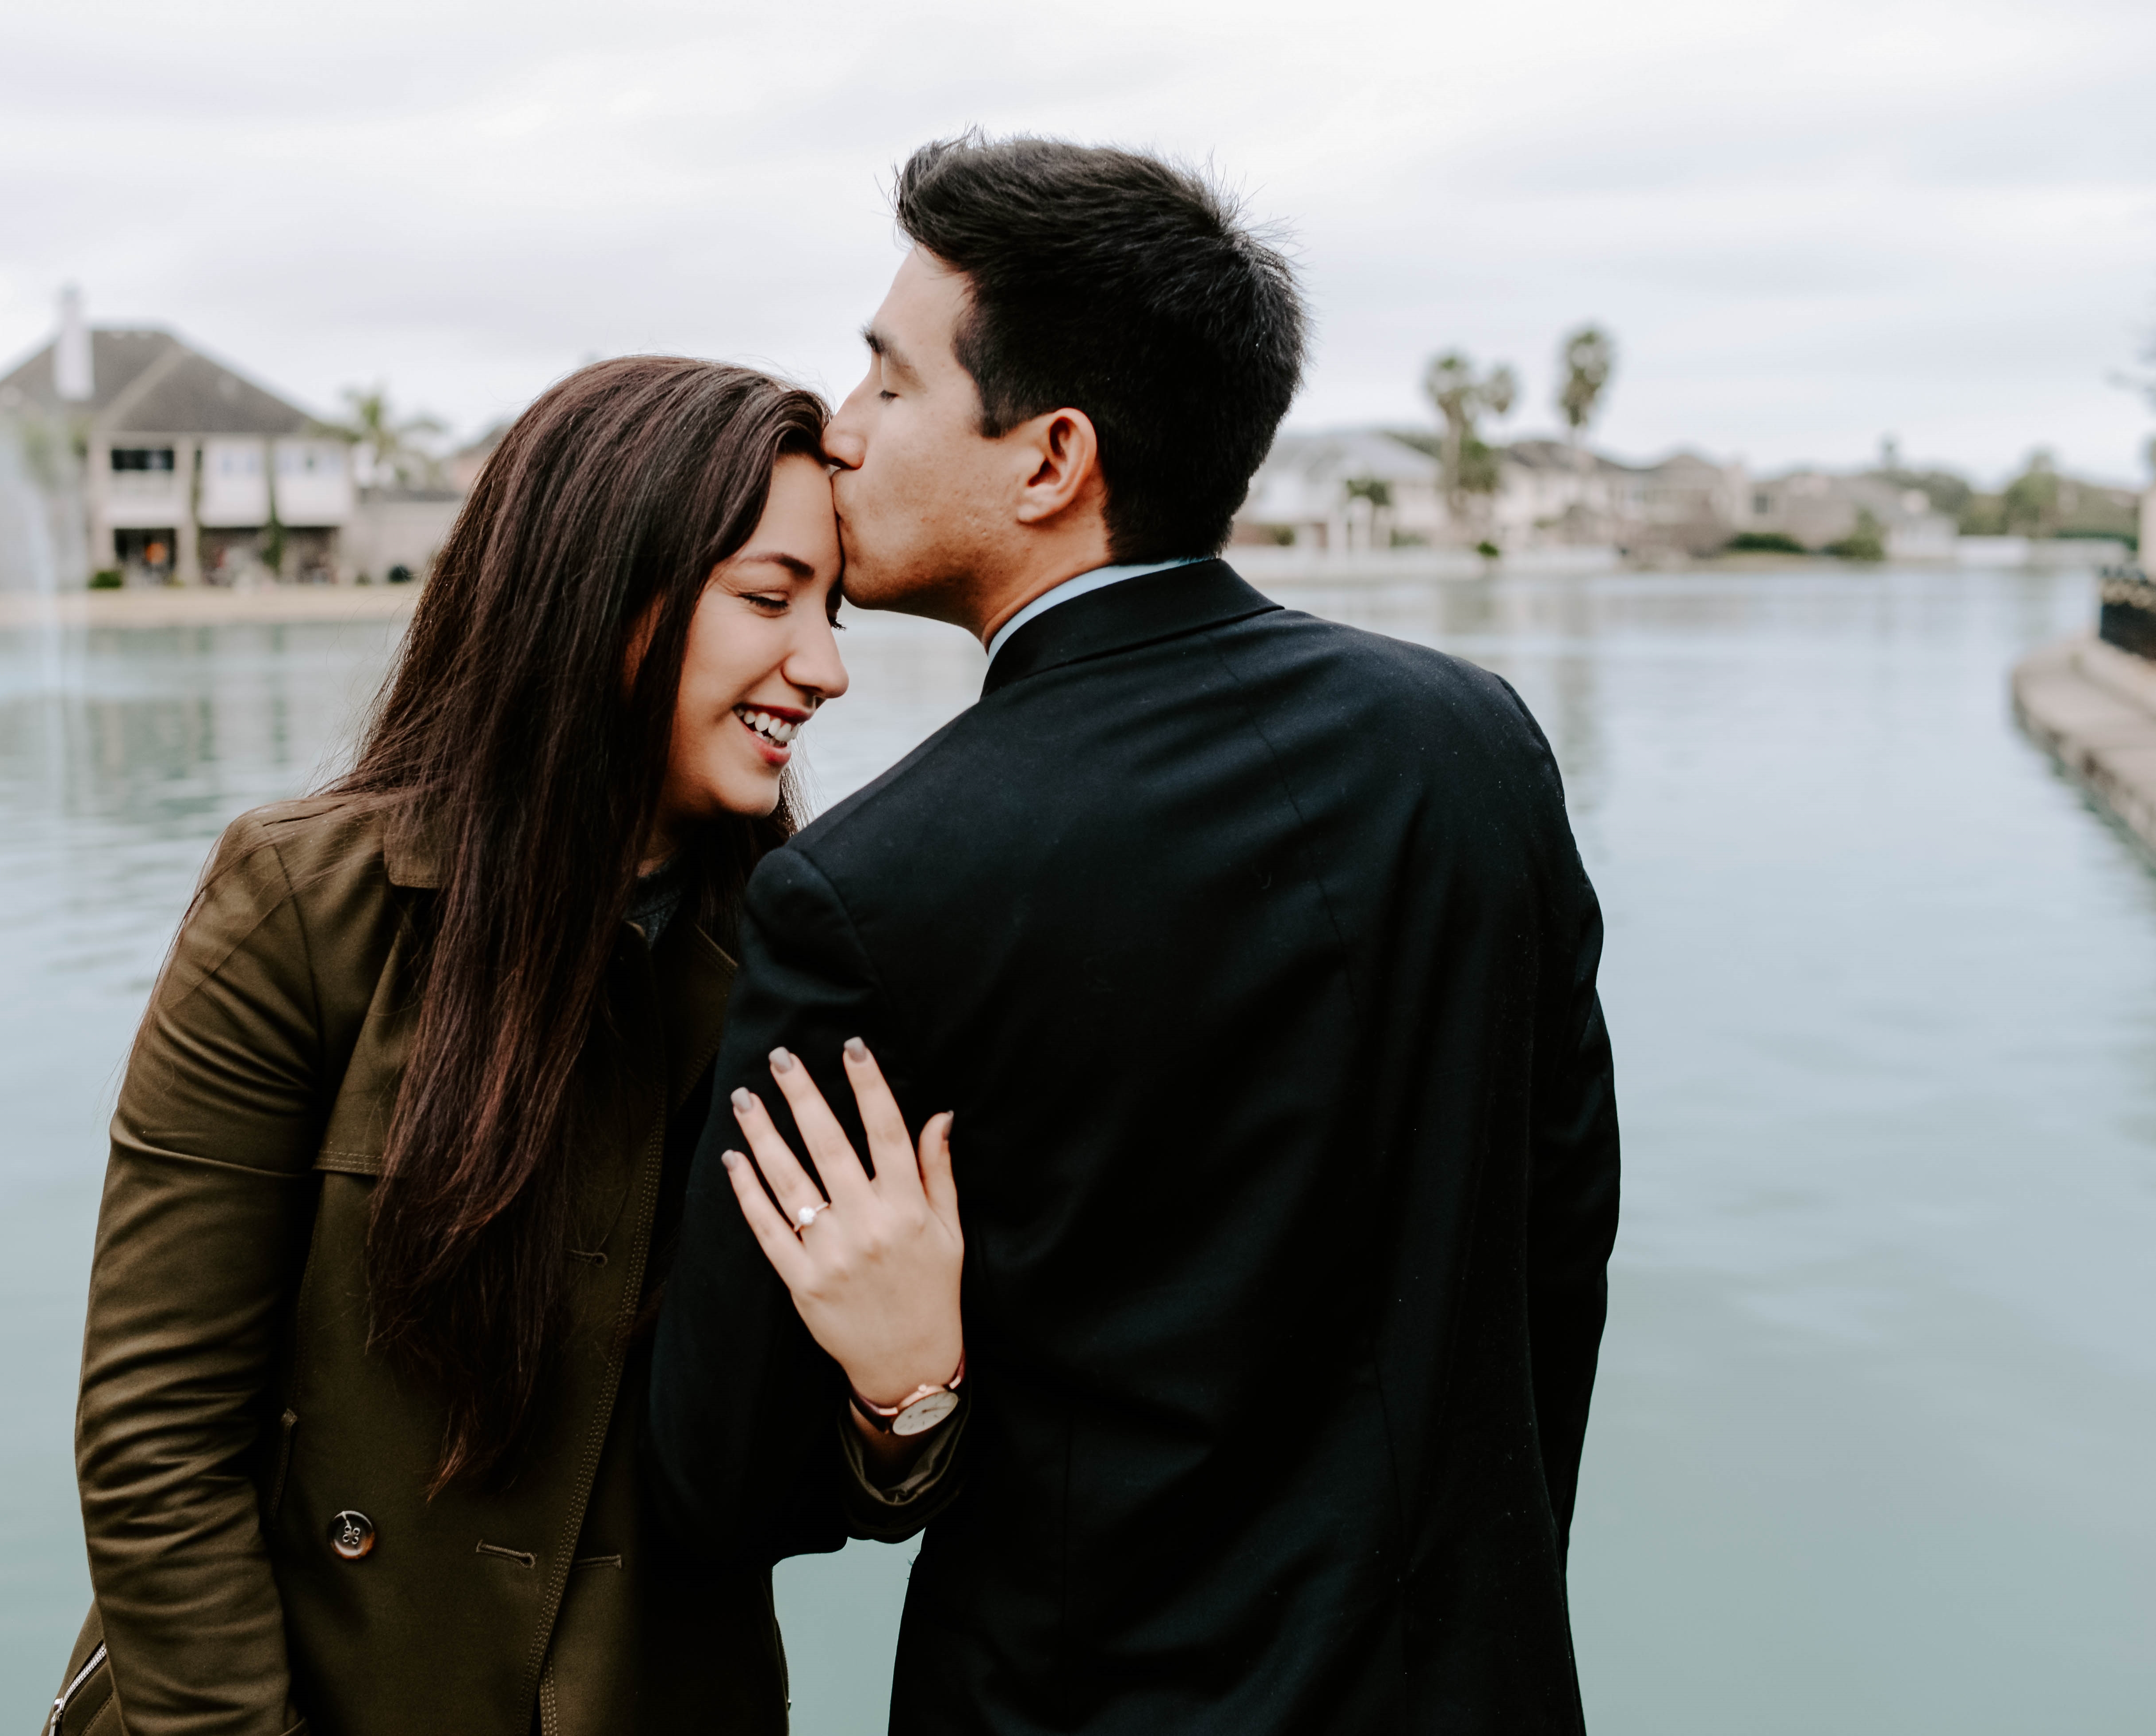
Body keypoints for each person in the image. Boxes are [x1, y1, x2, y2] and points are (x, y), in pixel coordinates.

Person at [651, 135, 1621, 1732]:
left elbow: (720, 1475)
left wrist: (913, 1379)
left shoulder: (876, 890)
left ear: (1050, 460)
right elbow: (1554, 1245)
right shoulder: (1474, 745)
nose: (843, 429)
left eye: (890, 385)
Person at [53, 356, 968, 1736]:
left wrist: (906, 1388)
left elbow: (817, 1498)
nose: (826, 669)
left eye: (830, 612)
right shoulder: (304, 907)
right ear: (602, 592)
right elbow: (155, 1441)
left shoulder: (809, 970)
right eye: (769, 599)